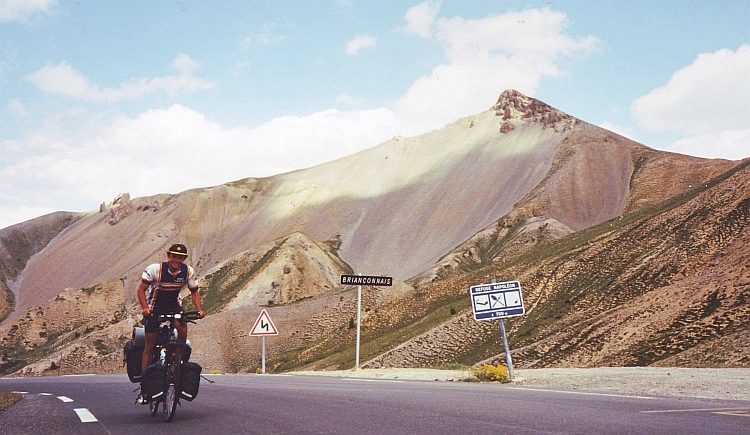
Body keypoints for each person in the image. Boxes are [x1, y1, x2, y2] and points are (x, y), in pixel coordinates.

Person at [137, 243, 205, 372]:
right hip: (154, 307)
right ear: (169, 256)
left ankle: (179, 359)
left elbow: (194, 291)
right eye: (174, 256)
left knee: (183, 325)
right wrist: (145, 308)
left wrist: (199, 310)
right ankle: (144, 378)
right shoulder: (155, 269)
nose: (177, 260)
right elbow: (141, 290)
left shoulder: (188, 271)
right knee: (149, 347)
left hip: (174, 305)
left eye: (180, 258)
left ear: (184, 259)